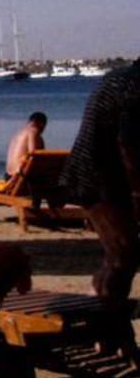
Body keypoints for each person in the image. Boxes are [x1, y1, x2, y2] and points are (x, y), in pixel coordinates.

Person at [59, 59, 140, 311]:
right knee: (123, 253)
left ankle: (101, 307)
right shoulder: (132, 86)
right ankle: (105, 314)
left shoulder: (122, 79)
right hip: (100, 177)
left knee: (121, 254)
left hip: (97, 174)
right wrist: (138, 194)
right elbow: (128, 146)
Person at [6, 111, 47, 177]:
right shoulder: (33, 131)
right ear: (41, 124)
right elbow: (34, 154)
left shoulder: (18, 134)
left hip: (8, 176)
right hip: (20, 176)